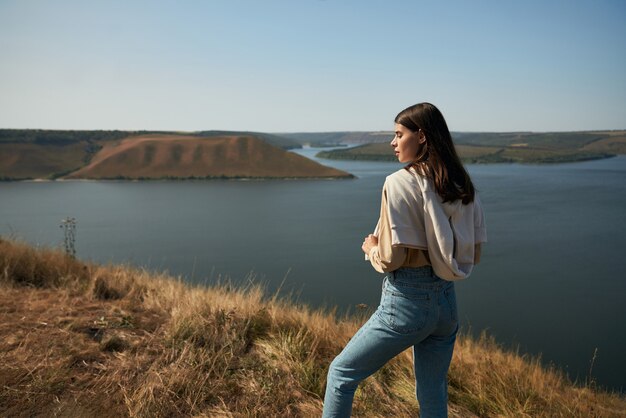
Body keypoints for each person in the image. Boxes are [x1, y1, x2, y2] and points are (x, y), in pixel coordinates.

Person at [322, 102, 487, 418]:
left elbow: (392, 258)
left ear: (421, 136)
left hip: (407, 304)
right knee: (432, 390)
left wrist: (371, 248)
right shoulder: (461, 184)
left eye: (399, 134)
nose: (392, 143)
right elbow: (474, 253)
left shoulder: (399, 182)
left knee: (341, 374)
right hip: (446, 304)